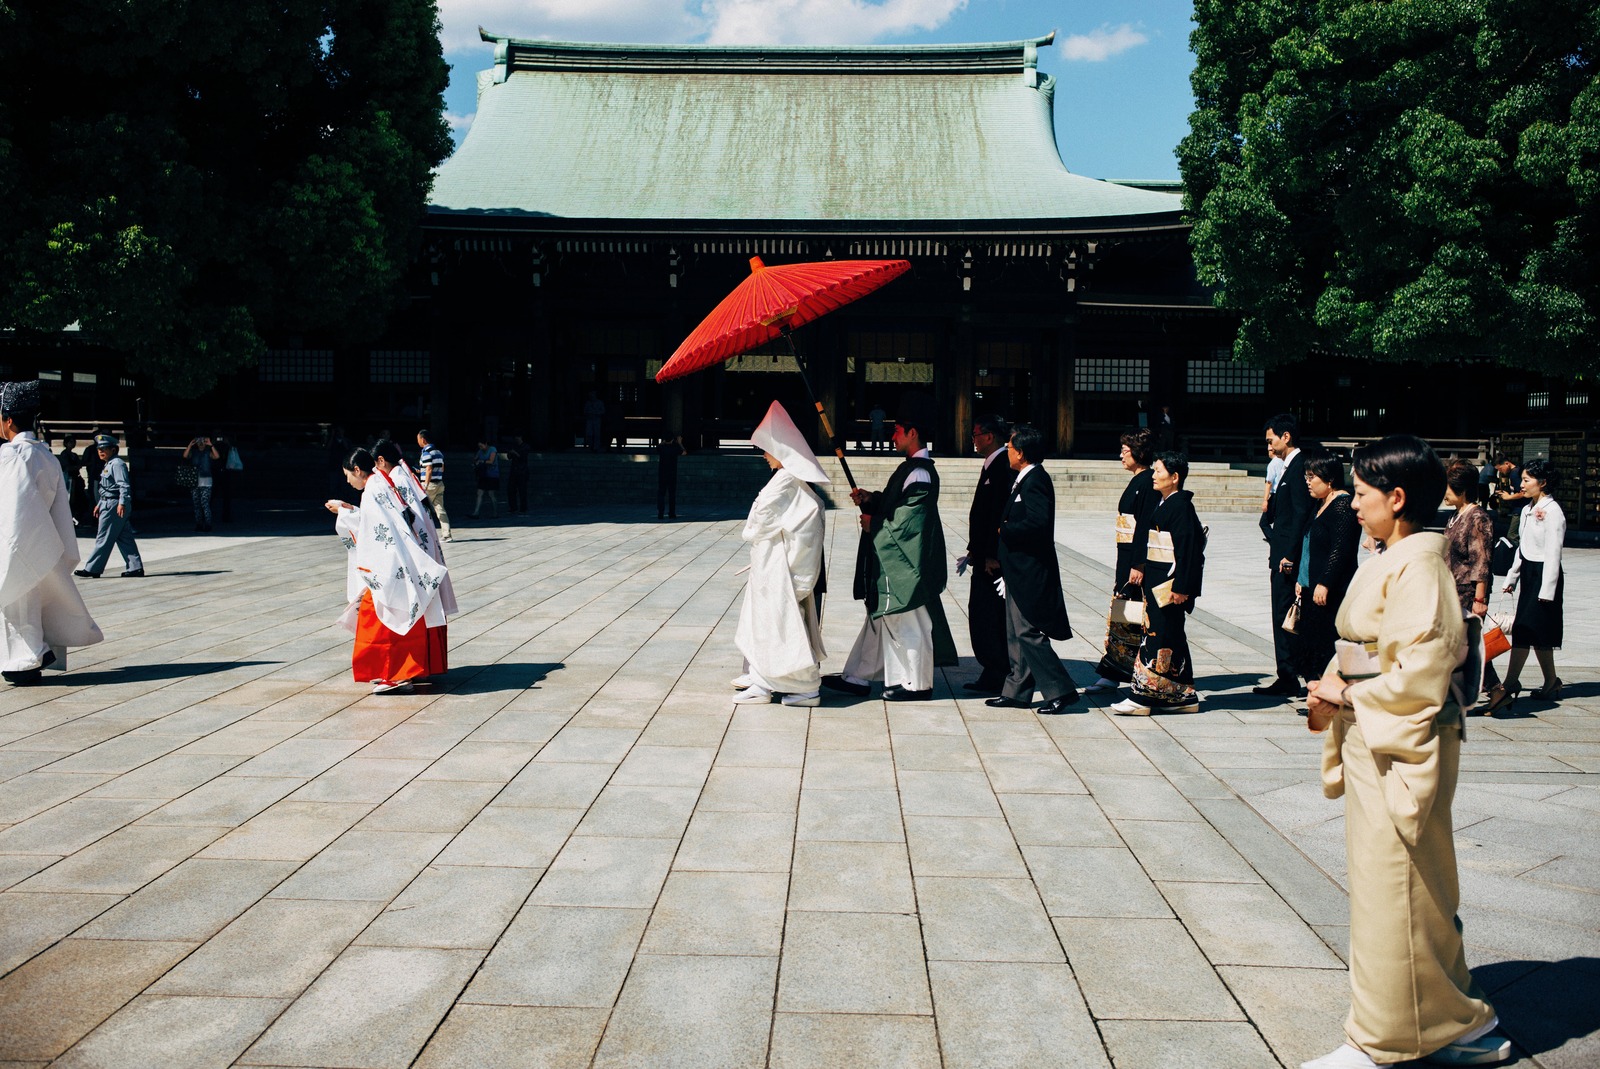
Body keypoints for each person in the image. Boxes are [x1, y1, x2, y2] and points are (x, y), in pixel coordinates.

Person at [1302, 434, 1510, 1069]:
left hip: (1397, 741)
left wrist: (1347, 689)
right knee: (1409, 889)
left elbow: (1419, 673)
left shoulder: (1418, 566)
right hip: (1378, 736)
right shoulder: (1403, 555)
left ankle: (1384, 1039)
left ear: (1397, 499)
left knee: (1396, 890)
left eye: (1363, 496)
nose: (1355, 505)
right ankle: (1455, 1023)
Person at [823, 397, 957, 701]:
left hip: (907, 566)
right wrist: (873, 500)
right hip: (897, 561)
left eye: (897, 431)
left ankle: (917, 684)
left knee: (908, 621)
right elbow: (897, 505)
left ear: (912, 433)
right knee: (881, 617)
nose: (892, 436)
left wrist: (877, 525)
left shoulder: (920, 473)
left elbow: (910, 521)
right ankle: (858, 676)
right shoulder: (911, 468)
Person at [0, 381, 105, 685]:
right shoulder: (46, 455)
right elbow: (60, 506)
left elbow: (12, 505)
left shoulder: (12, 455)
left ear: (8, 419)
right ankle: (33, 654)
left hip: (18, 536)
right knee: (27, 601)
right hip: (40, 536)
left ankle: (29, 656)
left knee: (17, 602)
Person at [325, 447, 450, 695]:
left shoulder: (373, 490)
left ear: (357, 470)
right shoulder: (381, 482)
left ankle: (397, 674)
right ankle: (400, 671)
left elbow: (375, 530)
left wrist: (346, 515)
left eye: (348, 475)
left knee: (384, 619)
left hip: (390, 565)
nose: (348, 481)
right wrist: (349, 511)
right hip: (400, 559)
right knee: (393, 617)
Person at [732, 402, 828, 707]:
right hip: (780, 565)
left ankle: (799, 686)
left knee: (778, 627)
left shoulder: (786, 479)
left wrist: (752, 532)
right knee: (774, 625)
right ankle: (765, 681)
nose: (763, 454)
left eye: (767, 448)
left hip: (781, 569)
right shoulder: (792, 478)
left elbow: (759, 519)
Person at [985, 424, 1080, 715]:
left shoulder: (1036, 479)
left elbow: (1039, 524)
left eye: (1011, 448)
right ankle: (1016, 691)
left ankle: (1061, 690)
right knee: (1015, 631)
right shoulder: (1023, 478)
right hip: (1016, 568)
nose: (1008, 452)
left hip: (1030, 569)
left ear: (1022, 453)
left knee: (1027, 631)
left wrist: (1007, 529)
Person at [1111, 452, 1205, 714]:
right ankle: (1182, 695)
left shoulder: (1181, 507)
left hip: (1170, 585)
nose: (1153, 476)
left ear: (1174, 478)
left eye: (1159, 472)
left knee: (1158, 636)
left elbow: (1190, 552)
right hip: (1157, 581)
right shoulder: (1164, 504)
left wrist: (1183, 588)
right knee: (1170, 636)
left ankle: (1143, 697)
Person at [1486, 459, 1565, 712]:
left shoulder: (1553, 512)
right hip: (1530, 572)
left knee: (1525, 628)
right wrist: (1512, 577)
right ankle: (1551, 682)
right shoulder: (1528, 508)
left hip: (1545, 576)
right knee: (1536, 632)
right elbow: (1522, 548)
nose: (1522, 484)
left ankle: (1510, 683)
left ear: (1542, 483)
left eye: (1527, 480)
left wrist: (1547, 590)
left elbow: (1554, 553)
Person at [1088, 428, 1158, 694]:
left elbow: (1144, 527)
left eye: (1125, 451)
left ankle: (1121, 670)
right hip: (1126, 554)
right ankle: (1115, 669)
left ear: (1139, 453)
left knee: (1131, 615)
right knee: (1124, 613)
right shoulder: (1137, 480)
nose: (1121, 456)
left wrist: (1138, 564)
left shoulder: (1148, 483)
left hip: (1135, 559)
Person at [1255, 413, 1314, 697]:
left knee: (1285, 611)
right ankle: (1288, 672)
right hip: (1280, 551)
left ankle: (1290, 673)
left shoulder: (1299, 467)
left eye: (1271, 439)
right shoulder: (1285, 467)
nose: (1268, 444)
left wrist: (1290, 554)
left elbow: (1301, 514)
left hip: (1286, 558)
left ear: (1285, 437)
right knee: (1281, 611)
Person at [1293, 450, 1362, 688]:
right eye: (1306, 476)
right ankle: (1317, 691)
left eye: (1313, 476)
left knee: (1326, 642)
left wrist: (1325, 582)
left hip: (1331, 589)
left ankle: (1329, 691)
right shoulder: (1321, 503)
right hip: (1312, 585)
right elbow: (1309, 543)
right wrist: (1302, 579)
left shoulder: (1343, 506)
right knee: (1311, 640)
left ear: (1329, 479)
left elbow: (1340, 550)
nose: (1308, 481)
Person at [960, 414, 1011, 694]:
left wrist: (991, 553)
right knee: (981, 613)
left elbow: (999, 515)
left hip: (992, 561)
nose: (974, 440)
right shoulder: (992, 464)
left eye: (977, 434)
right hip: (982, 555)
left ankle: (997, 670)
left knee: (988, 615)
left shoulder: (1003, 465)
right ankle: (993, 668)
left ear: (990, 437)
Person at [1444, 462, 1500, 704]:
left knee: (1464, 645)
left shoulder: (1478, 518)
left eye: (1447, 487)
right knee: (1462, 645)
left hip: (1468, 591)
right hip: (1452, 589)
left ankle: (1494, 689)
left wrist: (1480, 598)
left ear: (1462, 489)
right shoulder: (1456, 516)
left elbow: (1482, 561)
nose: (1443, 493)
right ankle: (1495, 690)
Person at [75, 434, 145, 579]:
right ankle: (135, 567)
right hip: (108, 502)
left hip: (114, 505)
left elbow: (123, 485)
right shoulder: (109, 464)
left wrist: (122, 503)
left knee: (103, 537)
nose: (101, 451)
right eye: (99, 449)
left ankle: (93, 568)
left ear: (113, 449)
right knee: (124, 537)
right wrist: (100, 504)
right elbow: (108, 488)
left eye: (105, 448)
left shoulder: (117, 464)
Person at [416, 429, 450, 542]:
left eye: (418, 439)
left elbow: (429, 469)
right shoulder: (438, 452)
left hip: (429, 485)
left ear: (423, 440)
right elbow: (441, 468)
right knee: (440, 509)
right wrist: (421, 471)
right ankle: (447, 534)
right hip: (439, 483)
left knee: (422, 510)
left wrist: (425, 484)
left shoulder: (426, 453)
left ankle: (423, 535)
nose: (418, 442)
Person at [183, 433, 220, 531]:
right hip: (194, 481)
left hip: (206, 481)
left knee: (205, 504)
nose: (201, 443)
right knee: (196, 505)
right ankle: (198, 524)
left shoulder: (208, 452)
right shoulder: (194, 452)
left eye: (203, 441)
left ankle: (208, 524)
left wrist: (210, 444)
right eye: (199, 441)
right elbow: (185, 455)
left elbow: (217, 456)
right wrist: (190, 445)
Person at [57, 435, 90, 525]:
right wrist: (75, 467)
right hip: (69, 478)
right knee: (70, 499)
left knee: (80, 499)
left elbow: (80, 464)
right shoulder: (64, 454)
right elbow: (67, 467)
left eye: (73, 442)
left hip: (77, 478)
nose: (73, 444)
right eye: (70, 442)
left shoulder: (74, 455)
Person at [657, 431, 685, 519]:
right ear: (673, 439)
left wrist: (663, 441)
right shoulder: (675, 447)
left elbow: (657, 448)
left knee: (661, 493)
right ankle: (672, 513)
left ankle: (660, 513)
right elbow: (684, 452)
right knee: (672, 494)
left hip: (662, 473)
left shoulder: (661, 447)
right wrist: (680, 443)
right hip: (672, 473)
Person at [214, 433, 241, 523]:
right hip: (218, 471)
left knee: (226, 496)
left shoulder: (228, 447)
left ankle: (226, 516)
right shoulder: (214, 446)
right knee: (217, 495)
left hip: (224, 472)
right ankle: (223, 516)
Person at [470, 438, 499, 519]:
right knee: (479, 493)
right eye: (479, 446)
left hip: (492, 474)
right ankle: (476, 512)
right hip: (483, 475)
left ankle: (495, 512)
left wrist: (481, 461)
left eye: (481, 445)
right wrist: (475, 462)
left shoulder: (492, 449)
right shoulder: (480, 451)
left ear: (486, 444)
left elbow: (491, 461)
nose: (480, 447)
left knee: (491, 494)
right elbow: (475, 459)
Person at [504, 435, 530, 514]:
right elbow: (509, 457)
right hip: (514, 471)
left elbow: (522, 457)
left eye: (518, 437)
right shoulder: (514, 445)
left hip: (522, 471)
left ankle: (523, 508)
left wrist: (514, 452)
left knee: (522, 490)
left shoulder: (525, 446)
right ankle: (513, 507)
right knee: (511, 489)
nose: (516, 439)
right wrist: (510, 452)